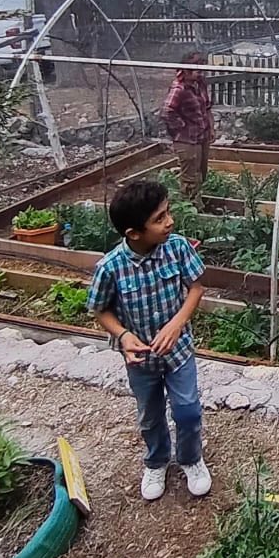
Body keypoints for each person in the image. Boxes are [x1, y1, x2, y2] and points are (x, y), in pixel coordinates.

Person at [88, 179, 212, 502]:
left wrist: (177, 323)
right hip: (141, 361)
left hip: (179, 351)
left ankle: (190, 459)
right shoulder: (111, 268)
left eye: (167, 212)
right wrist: (124, 335)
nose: (170, 221)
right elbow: (100, 309)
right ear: (134, 233)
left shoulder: (178, 248)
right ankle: (157, 461)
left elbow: (196, 289)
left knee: (188, 410)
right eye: (159, 218)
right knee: (150, 414)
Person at [161, 52, 213, 208]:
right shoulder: (179, 88)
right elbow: (166, 111)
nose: (200, 73)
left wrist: (211, 128)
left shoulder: (200, 83)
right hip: (186, 140)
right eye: (197, 70)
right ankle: (191, 210)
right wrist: (182, 126)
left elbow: (207, 107)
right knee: (190, 177)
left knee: (201, 172)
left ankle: (197, 202)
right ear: (187, 70)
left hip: (201, 136)